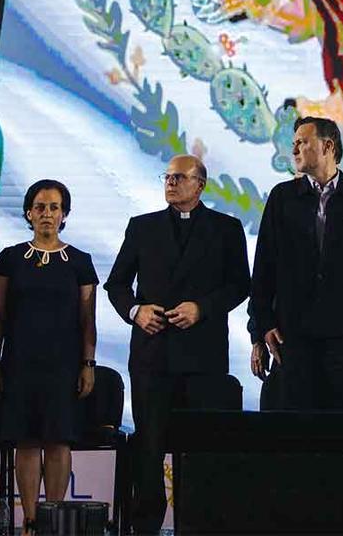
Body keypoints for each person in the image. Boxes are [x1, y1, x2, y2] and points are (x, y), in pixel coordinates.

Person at [105, 155, 250, 534]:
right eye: (167, 177)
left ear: (200, 185)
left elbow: (240, 285)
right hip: (153, 355)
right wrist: (135, 310)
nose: (170, 183)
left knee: (200, 449)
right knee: (149, 448)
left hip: (203, 357)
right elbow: (116, 285)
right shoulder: (142, 227)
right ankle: (146, 527)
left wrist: (202, 308)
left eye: (180, 178)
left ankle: (199, 524)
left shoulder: (226, 228)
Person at [248, 116, 343, 411]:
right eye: (294, 143)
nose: (295, 149)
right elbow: (263, 269)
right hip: (291, 338)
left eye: (302, 142)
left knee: (342, 439)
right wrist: (262, 326)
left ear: (327, 146)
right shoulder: (282, 197)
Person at [0, 180, 97, 535]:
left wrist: (88, 364)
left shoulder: (80, 261)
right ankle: (31, 520)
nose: (46, 214)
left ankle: (55, 517)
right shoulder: (10, 258)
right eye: (39, 207)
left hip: (64, 365)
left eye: (54, 207)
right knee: (27, 440)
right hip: (19, 363)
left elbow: (87, 320)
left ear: (64, 214)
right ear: (28, 212)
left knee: (58, 440)